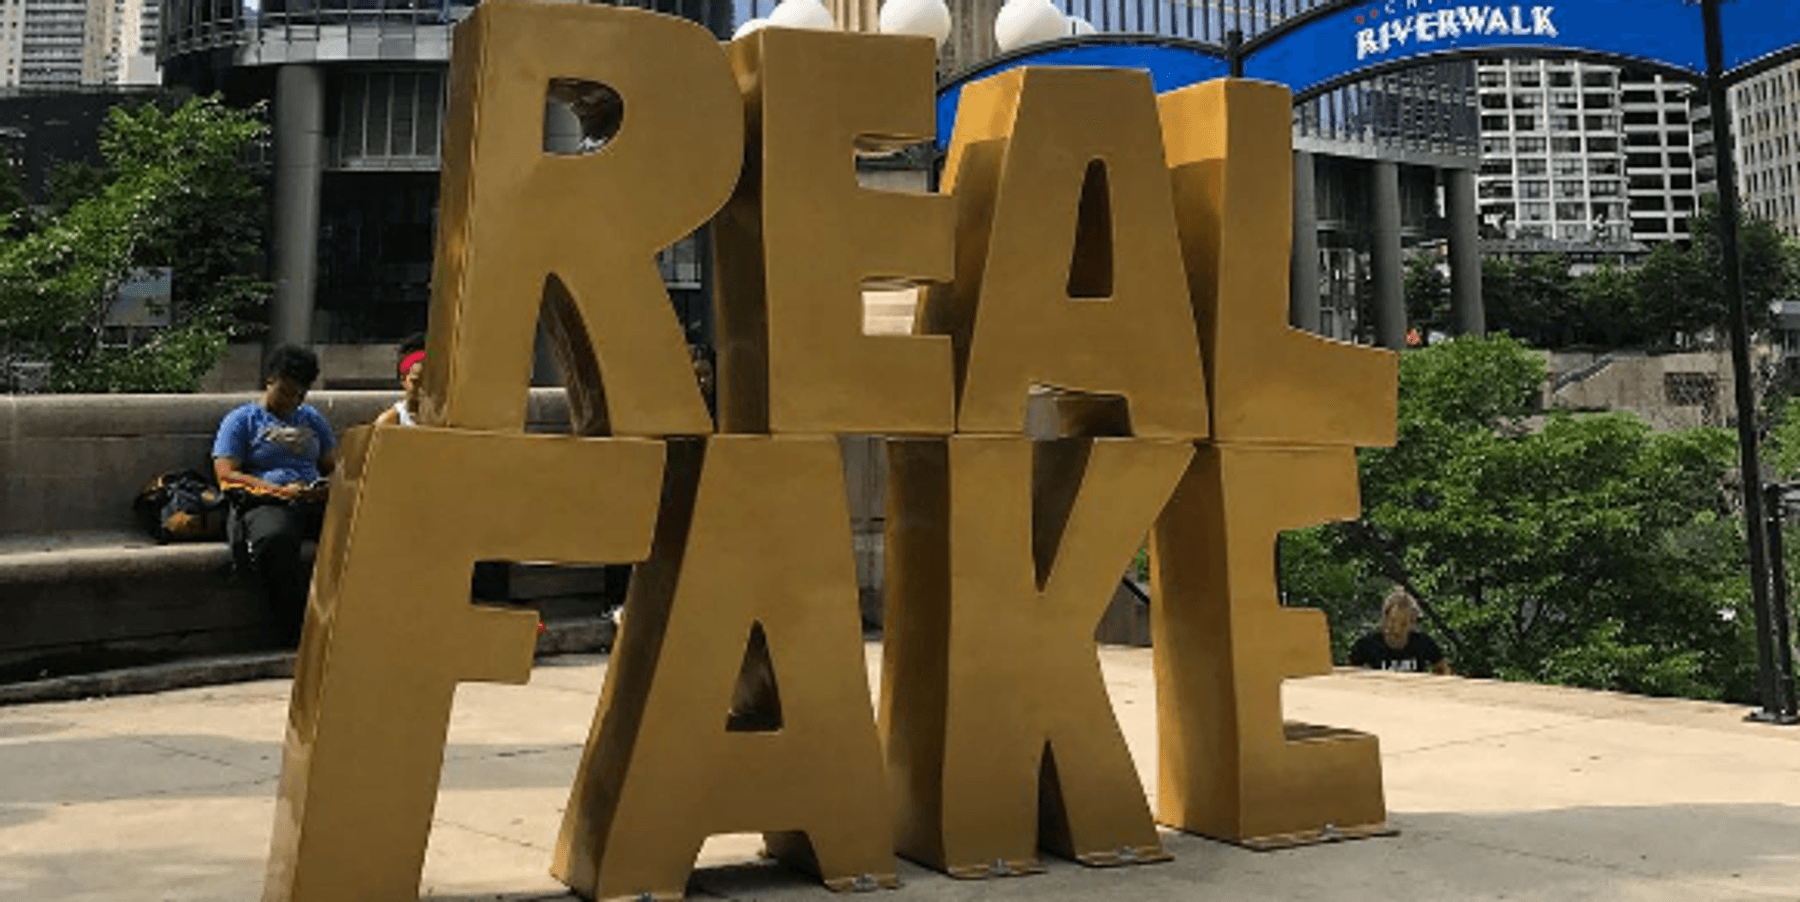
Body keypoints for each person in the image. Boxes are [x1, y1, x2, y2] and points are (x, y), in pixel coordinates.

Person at [213, 345, 337, 644]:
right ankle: (295, 631)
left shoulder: (311, 419)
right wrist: (278, 490)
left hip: (311, 498)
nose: (292, 402)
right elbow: (226, 473)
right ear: (271, 380)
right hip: (268, 499)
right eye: (286, 393)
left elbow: (335, 465)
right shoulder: (242, 419)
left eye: (299, 395)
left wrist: (325, 487)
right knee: (276, 541)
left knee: (359, 534)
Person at [1349, 587, 1451, 675]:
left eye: (1403, 624)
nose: (1397, 629)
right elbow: (1348, 673)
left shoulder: (1423, 644)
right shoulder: (1367, 645)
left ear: (1412, 623)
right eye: (1393, 621)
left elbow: (1444, 669)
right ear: (1385, 618)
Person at [374, 333, 426, 428]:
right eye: (416, 382)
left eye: (430, 382)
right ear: (403, 380)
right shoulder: (389, 422)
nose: (423, 389)